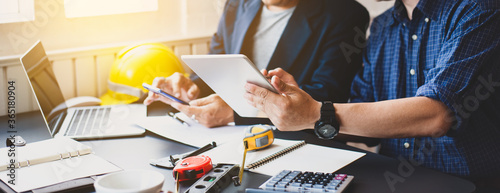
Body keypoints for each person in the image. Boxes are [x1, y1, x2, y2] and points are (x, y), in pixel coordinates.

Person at [244, 0, 500, 188]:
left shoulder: (479, 10)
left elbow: (436, 115)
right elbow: (357, 115)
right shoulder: (382, 26)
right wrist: (297, 104)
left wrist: (314, 113)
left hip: (469, 183)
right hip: (393, 178)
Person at [144, 0, 369, 128]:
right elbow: (219, 67)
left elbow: (328, 95)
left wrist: (236, 113)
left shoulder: (346, 14)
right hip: (226, 137)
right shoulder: (236, 6)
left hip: (296, 140)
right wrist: (189, 87)